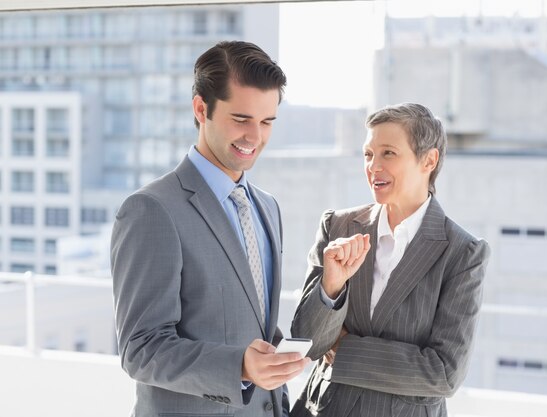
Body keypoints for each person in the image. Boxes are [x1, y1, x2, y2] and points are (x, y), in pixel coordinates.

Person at [110, 40, 309, 417]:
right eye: (241, 119)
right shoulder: (152, 210)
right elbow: (142, 349)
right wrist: (240, 366)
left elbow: (250, 322)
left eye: (267, 122)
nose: (255, 137)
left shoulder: (267, 207)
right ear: (201, 109)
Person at [290, 103, 490, 417]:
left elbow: (444, 372)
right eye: (368, 154)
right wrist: (331, 287)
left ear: (429, 160)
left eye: (388, 153)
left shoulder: (462, 253)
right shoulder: (337, 227)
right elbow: (308, 343)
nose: (373, 166)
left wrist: (346, 350)